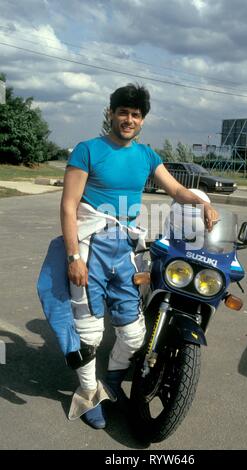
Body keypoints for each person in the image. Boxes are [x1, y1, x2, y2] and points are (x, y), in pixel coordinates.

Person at [60, 83, 219, 429]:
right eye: (123, 112)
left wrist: (203, 202)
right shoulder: (88, 150)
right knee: (89, 332)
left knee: (133, 335)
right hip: (90, 247)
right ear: (111, 113)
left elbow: (176, 190)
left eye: (135, 114)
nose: (128, 119)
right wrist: (74, 257)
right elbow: (69, 206)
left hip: (128, 251)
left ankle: (112, 385)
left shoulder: (147, 156)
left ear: (142, 120)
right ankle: (89, 395)